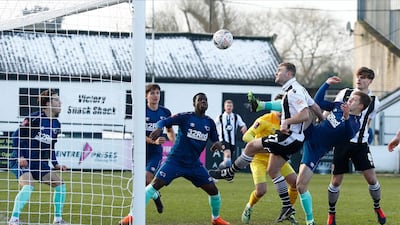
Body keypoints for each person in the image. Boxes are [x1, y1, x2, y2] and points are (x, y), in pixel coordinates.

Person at [210, 62, 323, 223]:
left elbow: (305, 114)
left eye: (279, 71)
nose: (276, 73)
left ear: (289, 74)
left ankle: (230, 172)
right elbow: (314, 107)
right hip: (293, 139)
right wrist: (322, 119)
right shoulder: (297, 90)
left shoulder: (294, 91)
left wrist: (287, 122)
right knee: (272, 170)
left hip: (289, 138)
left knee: (251, 146)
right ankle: (287, 207)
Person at [119, 93, 230, 225]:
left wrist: (217, 144)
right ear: (194, 103)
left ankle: (215, 218)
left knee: (214, 191)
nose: (203, 102)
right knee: (153, 186)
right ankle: (132, 216)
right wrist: (159, 127)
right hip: (175, 161)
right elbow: (164, 121)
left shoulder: (209, 123)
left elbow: (215, 140)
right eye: (200, 100)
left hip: (194, 165)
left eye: (205, 100)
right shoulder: (185, 117)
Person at [297, 76, 371, 225]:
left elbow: (348, 134)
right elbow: (318, 102)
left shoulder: (355, 123)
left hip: (316, 149)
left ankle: (309, 219)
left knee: (300, 185)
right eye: (349, 98)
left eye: (353, 100)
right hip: (310, 130)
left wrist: (345, 117)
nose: (349, 101)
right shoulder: (339, 105)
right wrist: (326, 84)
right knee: (303, 103)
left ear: (361, 106)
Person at [326, 67, 386, 225]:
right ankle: (331, 213)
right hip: (342, 143)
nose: (360, 80)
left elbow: (369, 121)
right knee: (336, 181)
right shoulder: (345, 93)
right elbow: (331, 111)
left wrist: (367, 137)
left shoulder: (374, 101)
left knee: (372, 179)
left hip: (361, 144)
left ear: (370, 81)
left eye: (364, 77)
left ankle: (377, 207)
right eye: (358, 76)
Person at [8, 89, 68, 225]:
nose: (60, 102)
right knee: (29, 186)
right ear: (47, 103)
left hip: (38, 162)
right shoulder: (35, 118)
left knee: (60, 185)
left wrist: (56, 164)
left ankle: (58, 220)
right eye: (57, 99)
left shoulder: (56, 124)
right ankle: (14, 219)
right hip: (22, 159)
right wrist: (19, 156)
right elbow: (16, 136)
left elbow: (51, 146)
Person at [241, 94, 299, 225]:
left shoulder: (288, 122)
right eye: (278, 106)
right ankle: (249, 207)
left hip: (277, 158)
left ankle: (287, 211)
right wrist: (263, 146)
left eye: (282, 106)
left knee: (295, 183)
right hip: (259, 159)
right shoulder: (264, 119)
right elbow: (246, 136)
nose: (280, 110)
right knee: (261, 191)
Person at [145, 83, 176, 213]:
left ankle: (135, 214)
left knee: (146, 179)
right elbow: (138, 135)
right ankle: (156, 195)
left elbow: (169, 131)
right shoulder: (141, 111)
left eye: (157, 93)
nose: (155, 96)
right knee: (144, 183)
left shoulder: (165, 112)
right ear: (146, 96)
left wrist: (175, 143)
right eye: (152, 93)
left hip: (155, 153)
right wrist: (154, 141)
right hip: (140, 151)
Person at [214, 99, 247, 169]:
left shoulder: (236, 117)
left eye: (230, 106)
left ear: (232, 107)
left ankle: (221, 172)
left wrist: (244, 127)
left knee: (228, 161)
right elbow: (213, 126)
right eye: (227, 106)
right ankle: (220, 172)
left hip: (232, 142)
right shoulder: (220, 117)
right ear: (224, 107)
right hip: (223, 140)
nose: (229, 107)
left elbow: (243, 125)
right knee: (227, 155)